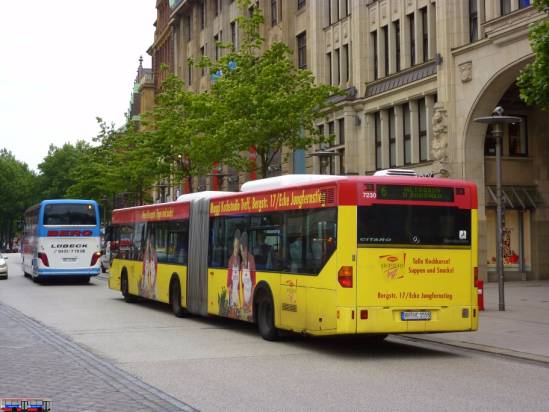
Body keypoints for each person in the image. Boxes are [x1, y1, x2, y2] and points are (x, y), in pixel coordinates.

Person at [239, 231, 256, 321]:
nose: (242, 253)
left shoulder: (251, 260)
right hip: (244, 301)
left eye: (243, 250)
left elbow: (254, 284)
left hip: (250, 300)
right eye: (241, 251)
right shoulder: (242, 263)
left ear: (246, 249)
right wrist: (243, 302)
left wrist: (249, 303)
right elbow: (242, 285)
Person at [226, 229, 241, 313]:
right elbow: (229, 275)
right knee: (232, 303)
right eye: (235, 245)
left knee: (236, 303)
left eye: (238, 246)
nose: (236, 248)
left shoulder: (239, 258)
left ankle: (235, 310)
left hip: (236, 286)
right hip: (232, 286)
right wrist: (229, 286)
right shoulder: (231, 259)